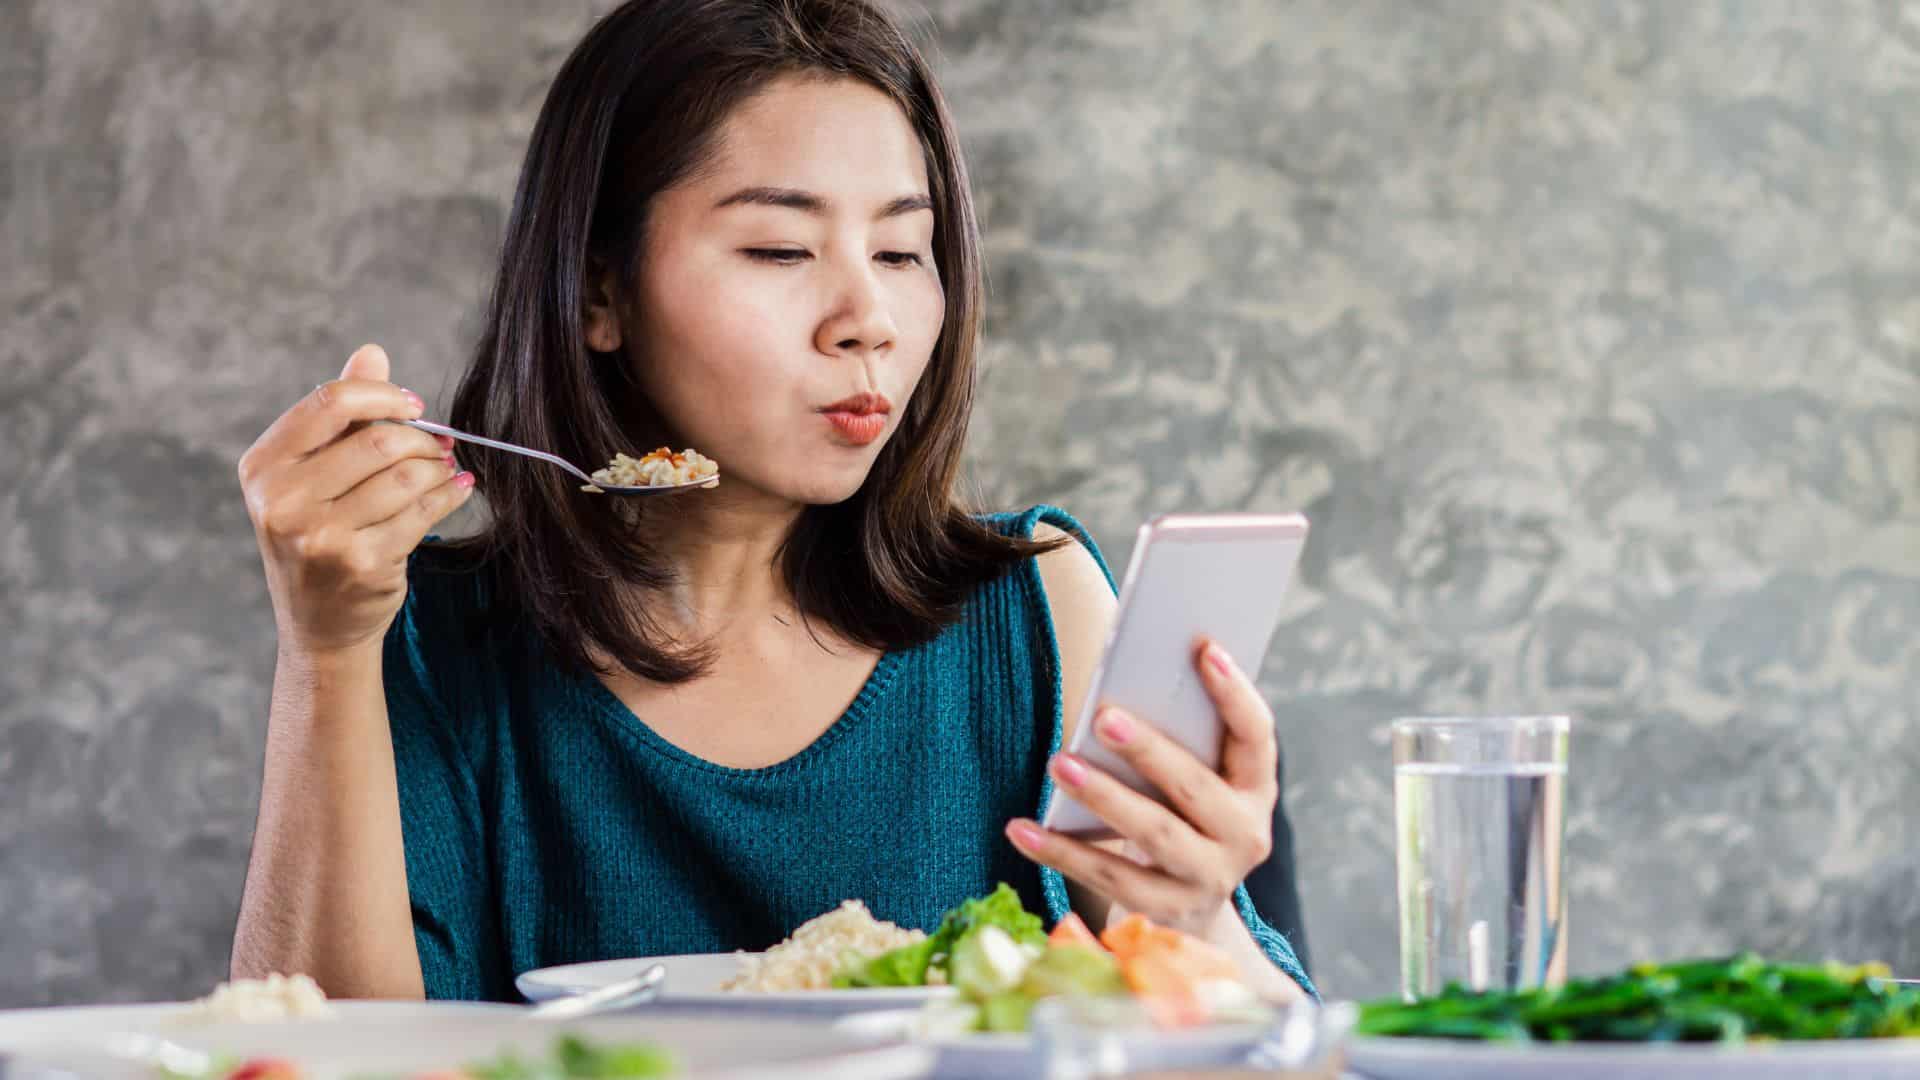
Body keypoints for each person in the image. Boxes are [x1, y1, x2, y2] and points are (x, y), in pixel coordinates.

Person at [229, 0, 1313, 1004]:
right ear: (600, 291)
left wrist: (1197, 916)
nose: (868, 317)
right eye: (781, 249)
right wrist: (325, 652)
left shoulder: (1036, 611)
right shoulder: (416, 641)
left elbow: (1269, 1052)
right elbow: (321, 1057)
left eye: (902, 250)